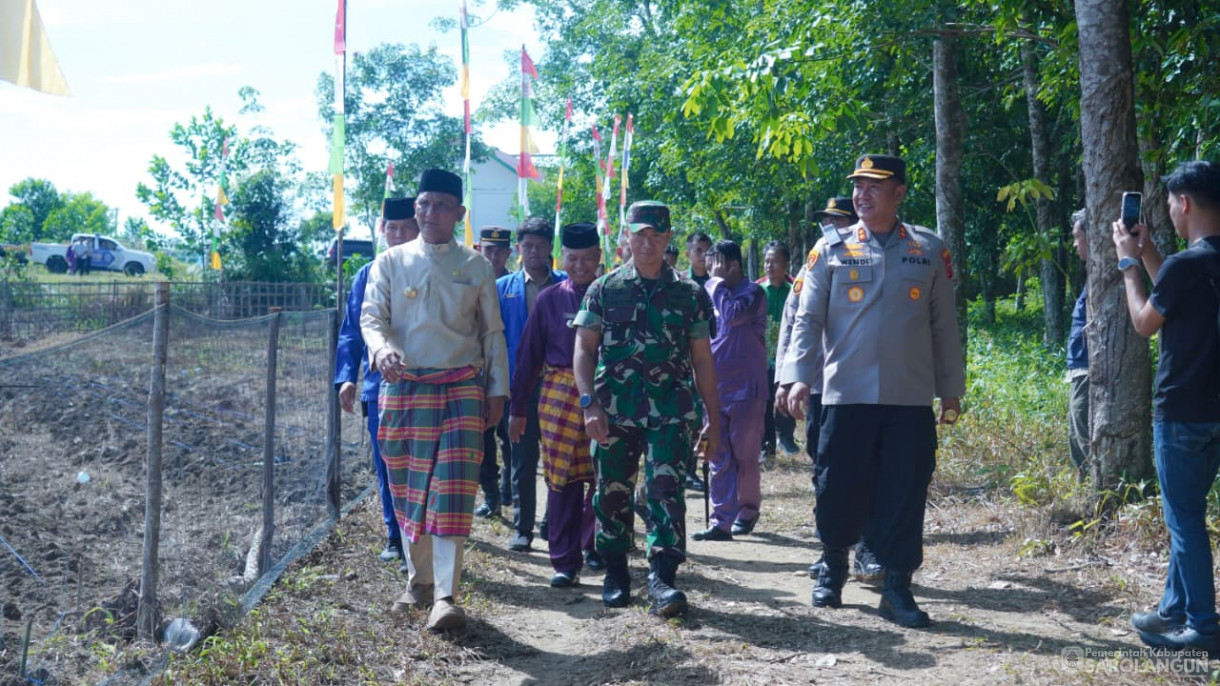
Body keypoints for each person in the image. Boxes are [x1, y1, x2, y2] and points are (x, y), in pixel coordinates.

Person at [781, 155, 964, 628]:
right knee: (838, 486)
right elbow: (808, 319)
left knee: (905, 491)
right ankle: (833, 566)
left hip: (908, 397)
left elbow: (944, 325)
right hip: (846, 394)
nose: (861, 195)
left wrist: (950, 389)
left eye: (874, 187)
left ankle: (897, 587)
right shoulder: (831, 249)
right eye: (858, 186)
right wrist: (797, 375)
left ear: (899, 193)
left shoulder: (928, 249)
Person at [361, 169, 509, 632]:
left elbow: (492, 333)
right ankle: (418, 582)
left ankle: (446, 596)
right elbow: (371, 318)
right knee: (408, 489)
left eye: (442, 205)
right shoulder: (390, 262)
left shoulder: (477, 266)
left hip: (461, 389)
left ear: (459, 213)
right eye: (424, 204)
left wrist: (498, 390)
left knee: (453, 490)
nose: (430, 213)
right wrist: (380, 351)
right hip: (403, 389)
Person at [574, 200, 720, 617]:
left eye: (656, 235)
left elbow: (702, 360)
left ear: (669, 237)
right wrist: (589, 404)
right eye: (640, 235)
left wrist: (714, 418)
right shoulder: (604, 289)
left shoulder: (690, 294)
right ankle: (616, 573)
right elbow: (583, 350)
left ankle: (662, 579)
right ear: (627, 236)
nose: (647, 243)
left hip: (671, 411)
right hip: (613, 410)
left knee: (665, 492)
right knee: (612, 491)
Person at [1112, 161, 1220, 654]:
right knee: (1188, 514)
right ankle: (1174, 607)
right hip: (1214, 411)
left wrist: (1128, 264)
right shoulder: (1195, 266)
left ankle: (1202, 626)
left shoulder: (1184, 267)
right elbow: (1173, 295)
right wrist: (1149, 251)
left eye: (1173, 204)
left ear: (1185, 203)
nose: (1172, 212)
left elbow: (1144, 321)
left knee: (1184, 522)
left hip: (1180, 412)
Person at [509, 222, 604, 587]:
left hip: (605, 396)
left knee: (603, 475)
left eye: (587, 258)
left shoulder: (612, 296)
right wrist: (517, 409)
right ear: (561, 257)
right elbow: (528, 357)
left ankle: (594, 546)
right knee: (562, 480)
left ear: (598, 257)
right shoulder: (549, 300)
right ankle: (564, 560)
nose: (579, 265)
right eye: (572, 258)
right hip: (558, 398)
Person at [335, 197, 419, 564]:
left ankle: (423, 536)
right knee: (387, 464)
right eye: (392, 228)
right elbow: (351, 332)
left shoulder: (430, 270)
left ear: (418, 229)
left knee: (424, 464)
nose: (399, 235)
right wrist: (346, 379)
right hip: (377, 388)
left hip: (426, 384)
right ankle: (395, 536)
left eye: (407, 228)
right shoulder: (366, 275)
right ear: (382, 230)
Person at [497, 218, 567, 552]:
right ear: (518, 249)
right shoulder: (503, 289)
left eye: (540, 245)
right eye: (528, 246)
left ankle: (553, 521)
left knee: (558, 458)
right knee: (522, 460)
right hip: (519, 388)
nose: (534, 252)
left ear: (550, 247)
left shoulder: (567, 284)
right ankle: (522, 527)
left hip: (559, 387)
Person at [691, 240, 768, 542]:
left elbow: (732, 315)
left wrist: (716, 284)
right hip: (715, 389)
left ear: (733, 265)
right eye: (709, 265)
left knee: (745, 455)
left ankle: (747, 511)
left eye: (716, 264)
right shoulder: (709, 293)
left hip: (747, 390)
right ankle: (720, 520)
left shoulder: (753, 294)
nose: (710, 270)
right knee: (717, 453)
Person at [474, 226, 514, 519]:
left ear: (508, 253)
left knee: (511, 436)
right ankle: (492, 496)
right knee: (484, 437)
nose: (494, 256)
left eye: (500, 251)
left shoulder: (516, 286)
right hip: (479, 373)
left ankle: (511, 489)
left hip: (512, 372)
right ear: (479, 250)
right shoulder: (470, 281)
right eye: (489, 250)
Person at [757, 240, 798, 457]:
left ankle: (787, 438)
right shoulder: (757, 291)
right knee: (764, 401)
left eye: (775, 261)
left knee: (786, 397)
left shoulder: (794, 291)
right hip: (762, 356)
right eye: (766, 261)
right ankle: (766, 445)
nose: (769, 266)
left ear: (786, 264)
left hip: (786, 354)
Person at [1066, 210, 1090, 478]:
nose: (1074, 244)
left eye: (1077, 237)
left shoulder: (1103, 277)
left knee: (1082, 432)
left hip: (1087, 368)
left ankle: (1094, 487)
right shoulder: (1092, 276)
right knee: (1075, 432)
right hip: (1079, 368)